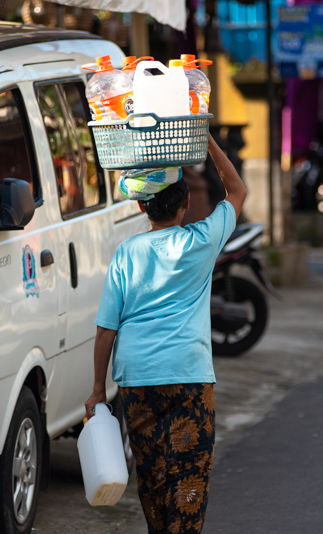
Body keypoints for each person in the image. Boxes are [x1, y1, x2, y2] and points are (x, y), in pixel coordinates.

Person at [85, 132, 246, 534]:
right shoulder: (202, 241)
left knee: (153, 483)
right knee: (187, 486)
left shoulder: (126, 252)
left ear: (142, 206)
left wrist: (96, 389)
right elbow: (237, 189)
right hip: (188, 380)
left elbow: (106, 330)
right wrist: (206, 139)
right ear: (186, 202)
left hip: (137, 383)